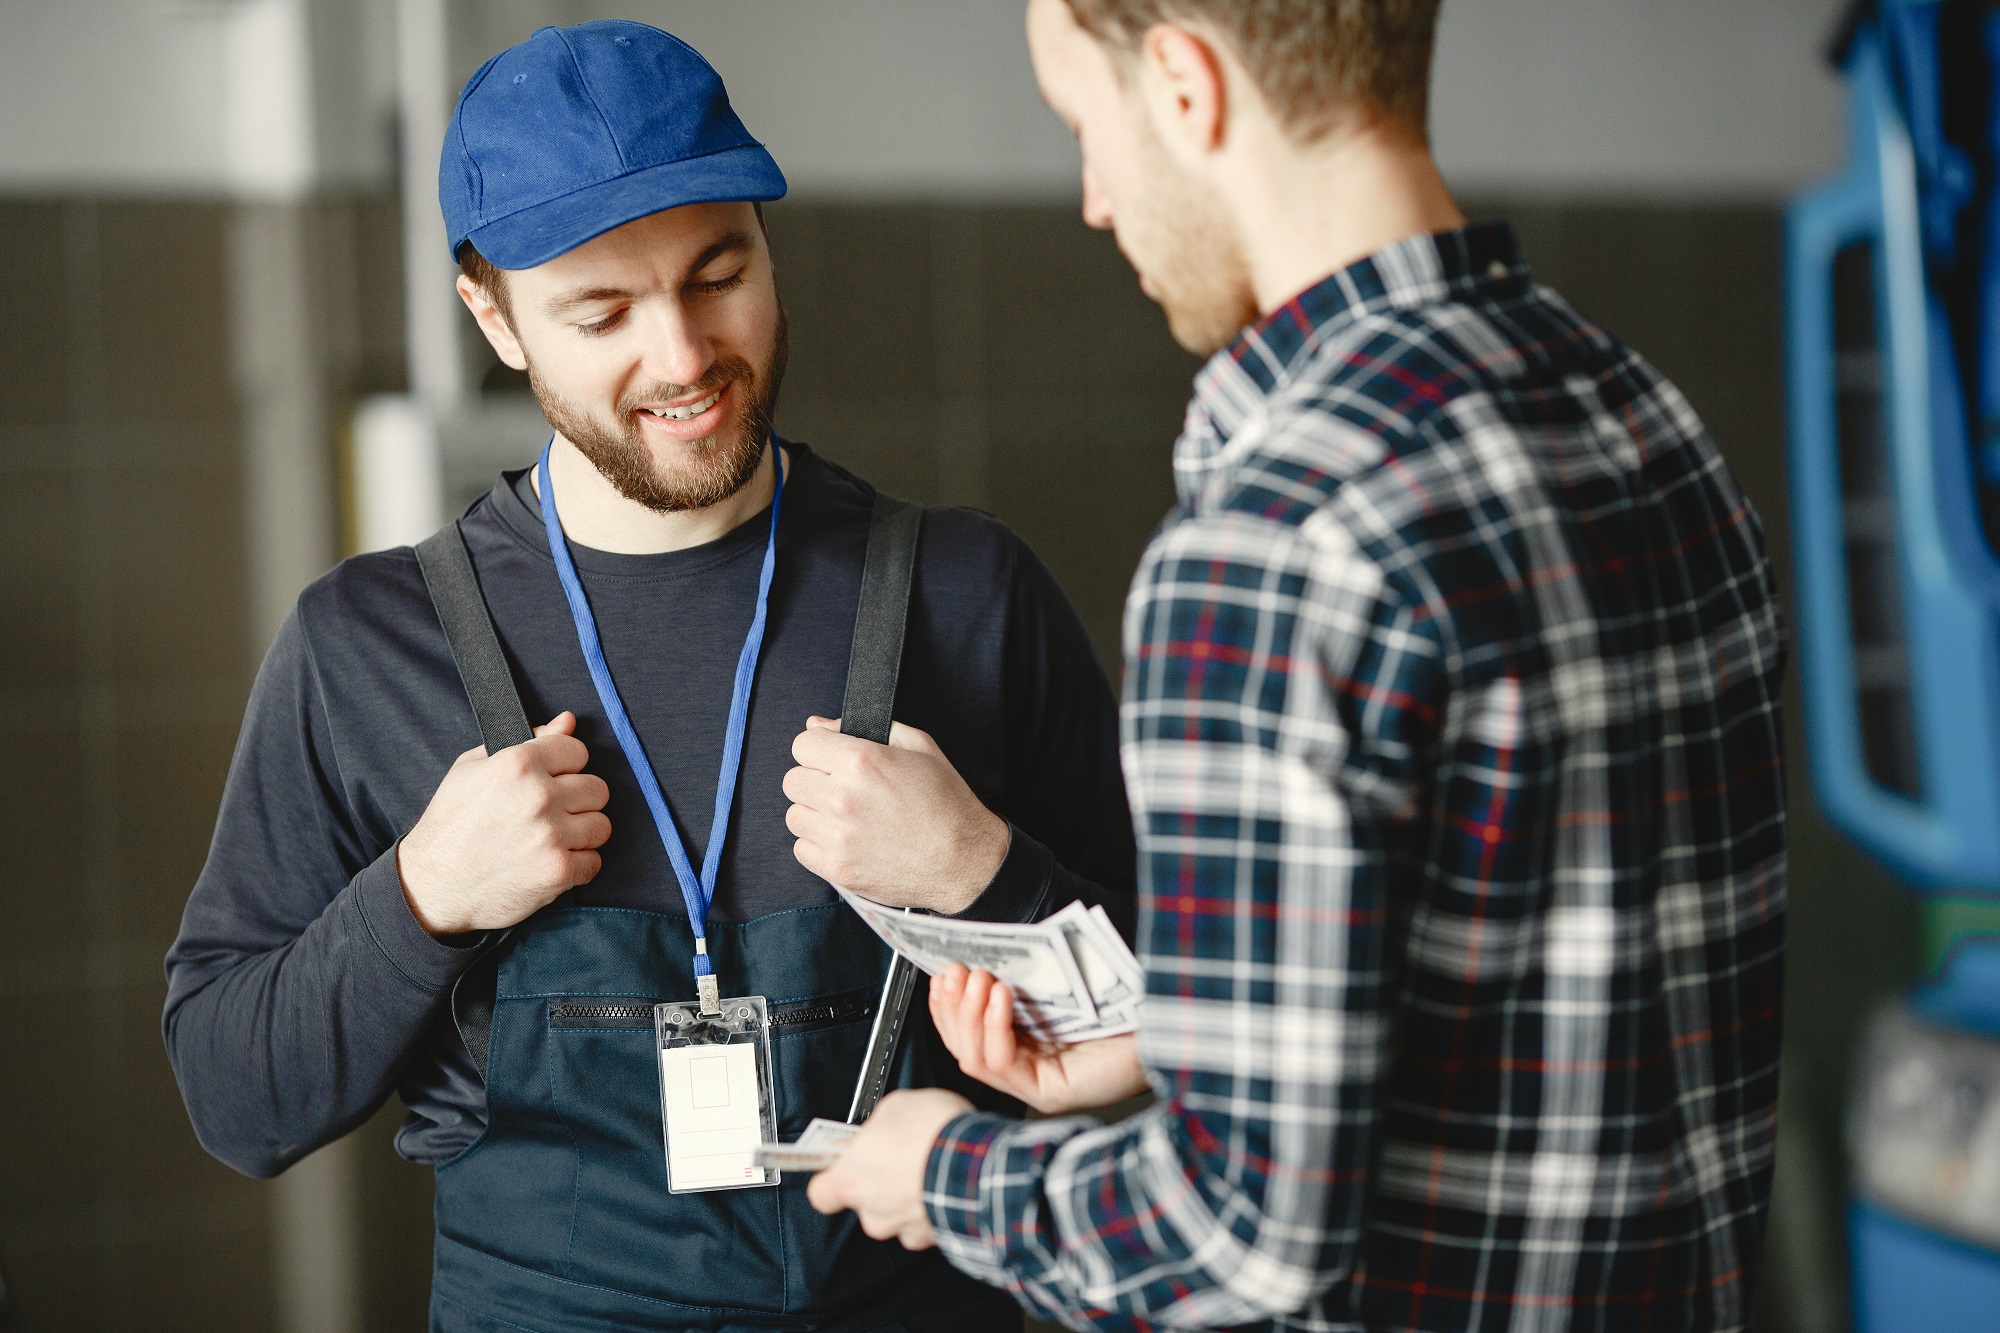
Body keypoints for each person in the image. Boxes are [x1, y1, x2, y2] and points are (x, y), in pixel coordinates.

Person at [806, 2, 1790, 1329]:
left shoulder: (1278, 539)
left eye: (1087, 128)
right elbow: (1545, 991)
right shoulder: (1642, 417)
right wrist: (1172, 1049)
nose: (1096, 200)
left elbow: (1245, 1236)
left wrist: (949, 1170)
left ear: (1186, 84)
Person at [162, 20, 1135, 1332]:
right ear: (493, 315)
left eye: (718, 273)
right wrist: (421, 897)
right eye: (601, 312)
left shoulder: (970, 595)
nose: (682, 358)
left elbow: (1202, 1028)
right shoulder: (366, 643)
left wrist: (990, 873)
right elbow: (238, 1101)